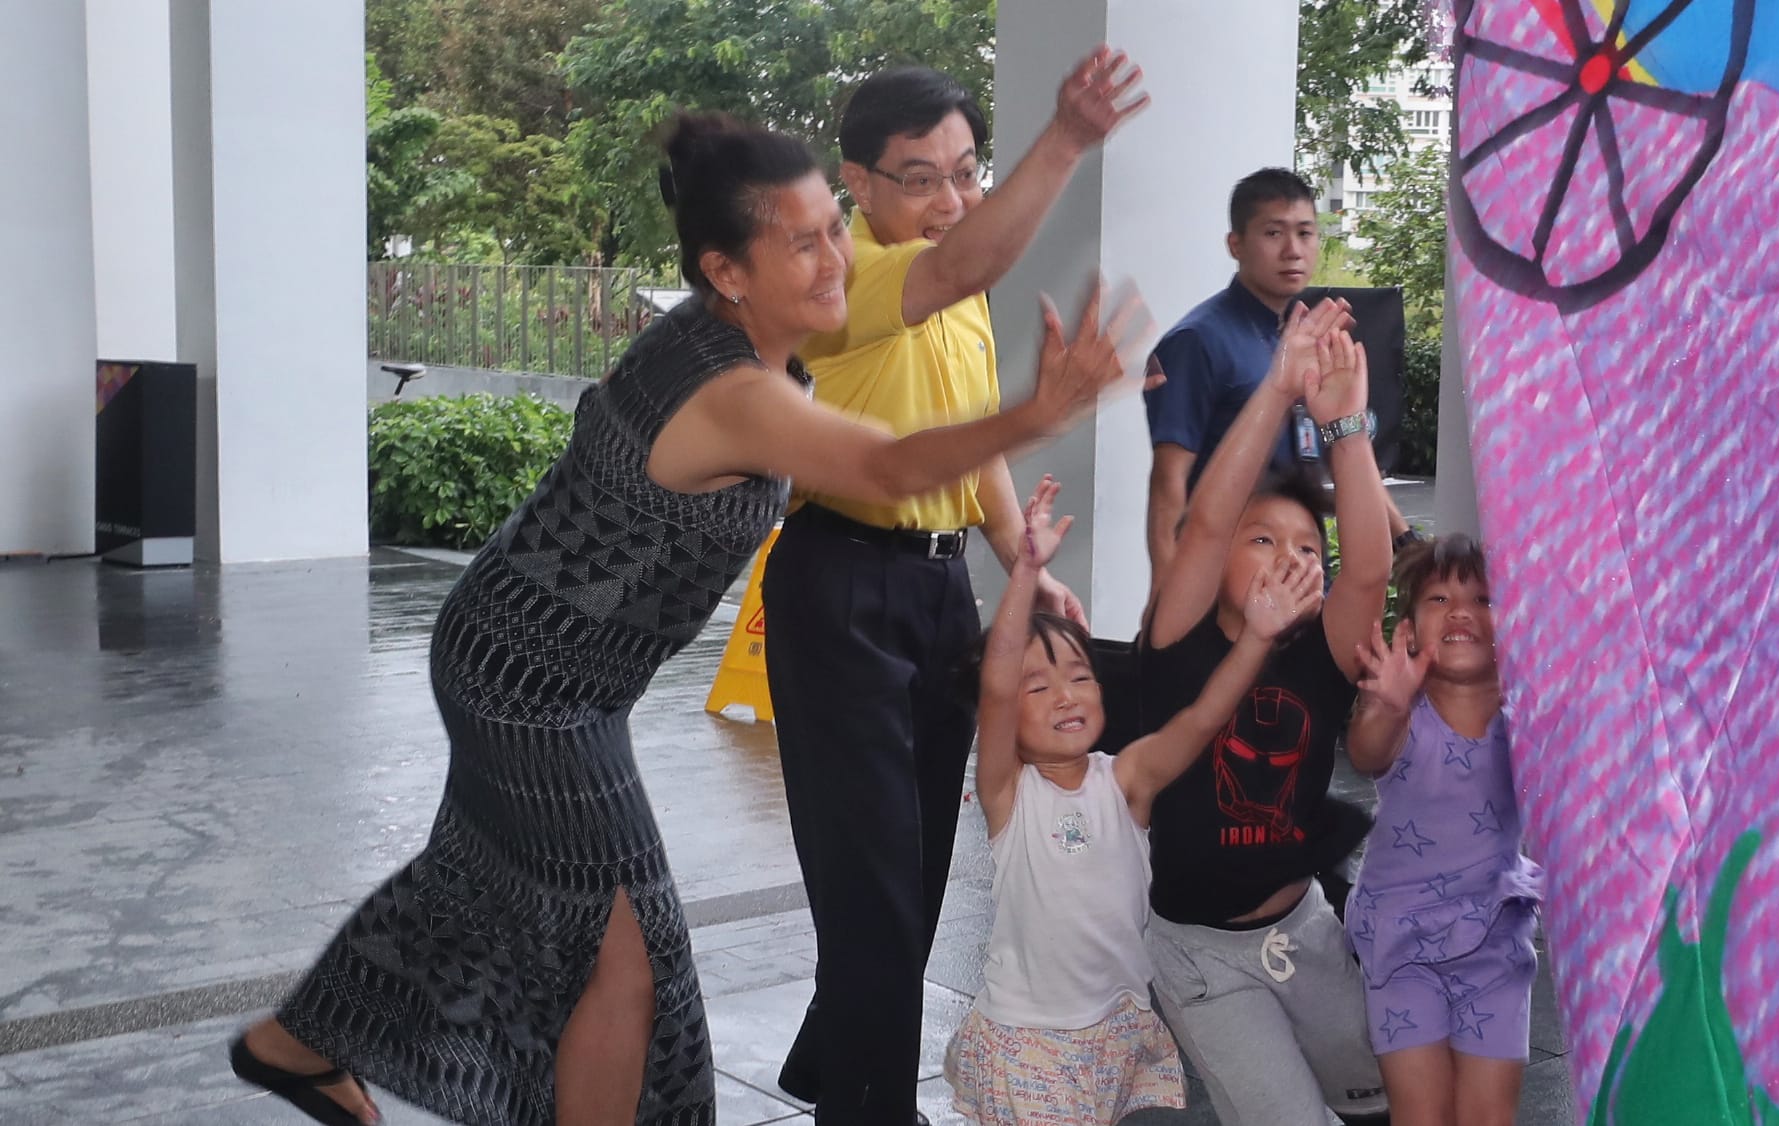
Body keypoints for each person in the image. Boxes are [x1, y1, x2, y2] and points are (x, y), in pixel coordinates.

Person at [226, 113, 1151, 1126]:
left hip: (535, 663)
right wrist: (1041, 410)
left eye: (830, 229)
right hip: (530, 685)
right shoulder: (730, 390)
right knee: (625, 954)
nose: (837, 255)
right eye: (801, 242)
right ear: (729, 271)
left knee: (474, 883)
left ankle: (294, 1043)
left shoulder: (731, 344)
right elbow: (883, 465)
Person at [765, 52, 1147, 1125]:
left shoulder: (954, 287)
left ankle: (837, 1066)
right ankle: (870, 1105)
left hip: (936, 596)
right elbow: (962, 268)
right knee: (874, 874)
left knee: (920, 863)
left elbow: (967, 433)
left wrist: (1020, 548)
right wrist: (1064, 138)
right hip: (839, 583)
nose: (950, 200)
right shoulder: (843, 283)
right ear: (859, 184)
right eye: (921, 177)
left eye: (966, 171)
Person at [941, 475, 1324, 1126]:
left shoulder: (1126, 780)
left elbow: (1202, 719)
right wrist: (1027, 572)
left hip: (1117, 1030)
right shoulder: (1009, 794)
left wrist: (1257, 639)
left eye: (1079, 676)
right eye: (1038, 687)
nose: (1065, 694)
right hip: (1029, 1039)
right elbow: (997, 682)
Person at [1126, 298, 1398, 1126]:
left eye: (1306, 548)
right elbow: (1208, 517)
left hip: (1307, 930)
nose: (1290, 557)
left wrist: (1347, 429)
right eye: (1264, 542)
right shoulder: (1179, 641)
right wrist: (1278, 389)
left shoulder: (1320, 651)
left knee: (1385, 1100)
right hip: (1201, 957)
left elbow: (1367, 576)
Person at [1345, 534, 1539, 1126]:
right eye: (1438, 599)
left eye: (1483, 598)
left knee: (1488, 1115)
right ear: (1408, 632)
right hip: (1402, 946)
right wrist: (1388, 706)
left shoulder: (1528, 717)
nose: (1460, 611)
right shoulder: (1404, 713)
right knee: (1422, 1114)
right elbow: (1365, 753)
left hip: (1495, 942)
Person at [1143, 168, 1409, 590]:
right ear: (1236, 244)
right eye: (1273, 233)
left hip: (1301, 579)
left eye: (1305, 233)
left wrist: (1406, 540)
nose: (1292, 250)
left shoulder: (1302, 338)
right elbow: (1168, 483)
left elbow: (1345, 447)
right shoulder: (1197, 341)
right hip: (1227, 586)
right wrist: (1167, 602)